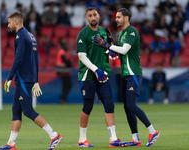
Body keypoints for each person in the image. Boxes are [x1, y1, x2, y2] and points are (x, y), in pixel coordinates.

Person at [94, 8, 160, 147]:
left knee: (131, 104)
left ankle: (152, 131)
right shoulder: (121, 33)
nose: (116, 19)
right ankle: (135, 139)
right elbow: (122, 54)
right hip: (125, 74)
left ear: (126, 18)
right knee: (126, 107)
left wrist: (108, 45)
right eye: (116, 17)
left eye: (118, 17)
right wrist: (110, 51)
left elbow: (124, 50)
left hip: (133, 73)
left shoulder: (132, 31)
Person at [0, 12, 61, 150]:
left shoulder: (20, 36)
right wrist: (35, 80)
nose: (7, 26)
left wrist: (9, 78)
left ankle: (54, 135)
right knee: (16, 110)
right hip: (27, 78)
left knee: (27, 110)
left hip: (23, 79)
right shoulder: (32, 36)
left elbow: (18, 59)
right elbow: (36, 60)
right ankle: (11, 143)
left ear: (16, 22)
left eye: (9, 23)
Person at [76, 7, 128, 148]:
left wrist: (111, 52)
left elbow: (111, 47)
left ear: (98, 16)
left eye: (95, 15)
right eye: (90, 15)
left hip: (103, 74)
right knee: (88, 106)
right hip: (88, 75)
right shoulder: (82, 34)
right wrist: (95, 69)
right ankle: (82, 139)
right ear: (86, 18)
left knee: (109, 105)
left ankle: (113, 139)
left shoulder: (105, 31)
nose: (93, 17)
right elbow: (82, 56)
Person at [56, 37, 72, 104]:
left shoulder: (62, 51)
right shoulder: (62, 52)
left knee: (66, 85)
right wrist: (69, 63)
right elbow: (65, 61)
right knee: (67, 85)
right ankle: (63, 99)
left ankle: (63, 99)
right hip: (63, 70)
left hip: (63, 70)